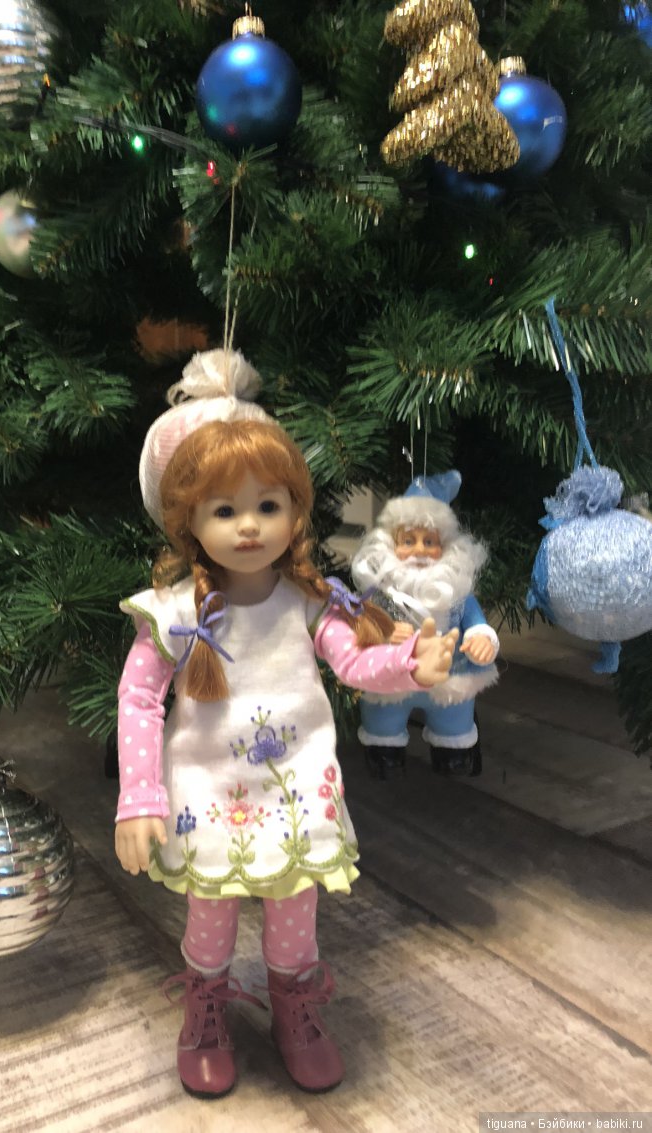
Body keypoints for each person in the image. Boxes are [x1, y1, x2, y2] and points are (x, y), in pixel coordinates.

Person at [114, 349, 459, 1099]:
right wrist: (139, 796)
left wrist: (411, 665)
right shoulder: (175, 611)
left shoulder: (308, 600)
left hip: (295, 789)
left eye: (267, 506)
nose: (248, 526)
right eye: (224, 510)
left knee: (294, 909)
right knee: (209, 910)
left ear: (294, 512)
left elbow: (355, 663)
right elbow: (139, 698)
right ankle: (206, 1008)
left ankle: (294, 1006)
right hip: (208, 792)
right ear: (188, 520)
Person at [350, 470, 499, 779]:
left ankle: (452, 751)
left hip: (449, 678)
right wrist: (382, 632)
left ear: (446, 547)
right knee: (382, 716)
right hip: (392, 678)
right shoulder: (380, 593)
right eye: (408, 541)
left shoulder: (457, 594)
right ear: (390, 545)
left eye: (429, 541)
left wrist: (481, 639)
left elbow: (476, 622)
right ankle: (384, 751)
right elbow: (360, 626)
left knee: (454, 715)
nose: (419, 550)